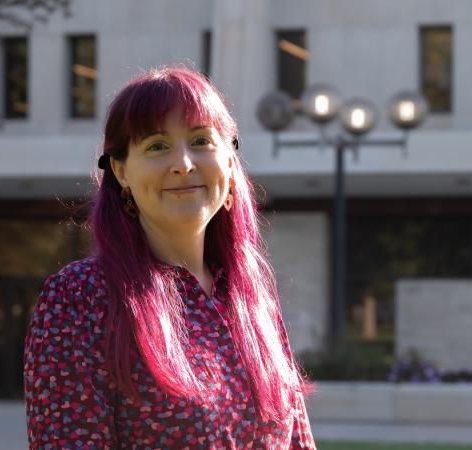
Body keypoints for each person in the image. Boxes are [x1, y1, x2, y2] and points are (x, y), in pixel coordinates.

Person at [23, 66, 317, 449]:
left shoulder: (251, 297)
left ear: (230, 162)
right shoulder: (81, 297)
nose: (183, 163)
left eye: (201, 141)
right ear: (121, 170)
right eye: (157, 146)